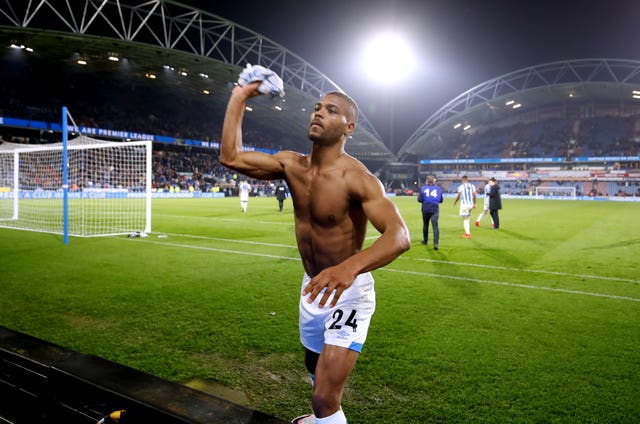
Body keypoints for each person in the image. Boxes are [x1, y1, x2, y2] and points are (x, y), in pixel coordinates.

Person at [220, 79, 411, 424]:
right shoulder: (292, 165)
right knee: (313, 370)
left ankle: (323, 414)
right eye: (317, 108)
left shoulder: (358, 178)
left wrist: (349, 268)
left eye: (331, 110)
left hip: (349, 292)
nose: (319, 113)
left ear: (348, 128)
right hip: (312, 288)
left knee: (324, 398)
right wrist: (240, 96)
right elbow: (230, 156)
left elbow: (399, 235)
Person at [417, 175, 443, 250]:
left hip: (425, 208)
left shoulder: (423, 188)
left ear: (427, 181)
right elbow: (441, 200)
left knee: (425, 225)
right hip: (435, 208)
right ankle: (436, 243)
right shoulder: (438, 189)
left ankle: (425, 241)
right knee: (435, 227)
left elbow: (419, 199)